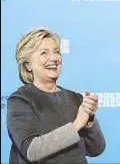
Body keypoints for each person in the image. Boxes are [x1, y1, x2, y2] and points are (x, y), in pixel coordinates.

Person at [6, 28, 106, 163]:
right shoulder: (21, 99)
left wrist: (89, 120)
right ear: (27, 64)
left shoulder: (75, 98)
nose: (53, 58)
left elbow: (96, 149)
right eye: (44, 53)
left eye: (57, 52)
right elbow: (32, 150)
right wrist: (76, 125)